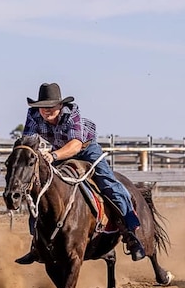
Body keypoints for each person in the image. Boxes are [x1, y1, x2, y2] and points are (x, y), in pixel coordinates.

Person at [15, 82, 146, 265]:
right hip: (59, 150)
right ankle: (37, 244)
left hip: (85, 148)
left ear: (60, 106)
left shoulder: (72, 113)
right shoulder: (33, 114)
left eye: (51, 106)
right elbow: (28, 141)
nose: (46, 110)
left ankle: (131, 233)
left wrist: (53, 156)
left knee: (108, 184)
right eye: (42, 106)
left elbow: (76, 145)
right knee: (41, 192)